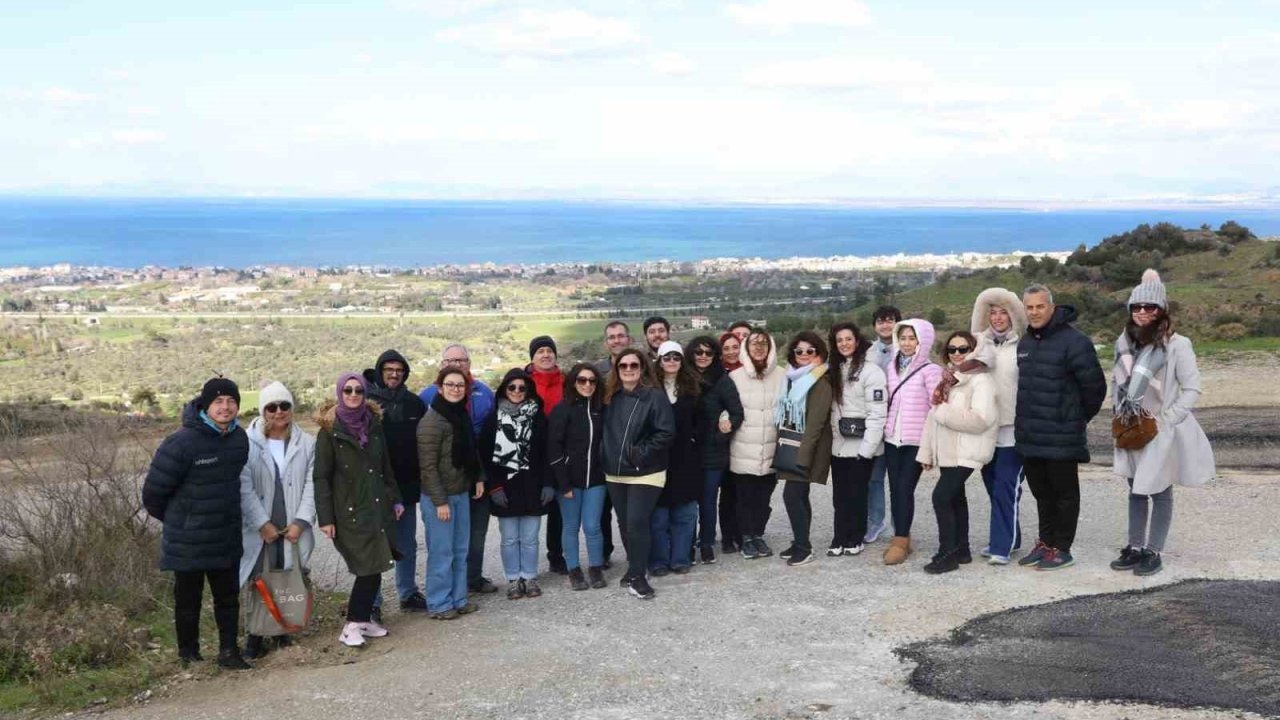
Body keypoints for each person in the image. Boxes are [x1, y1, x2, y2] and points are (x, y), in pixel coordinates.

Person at [1109, 270, 1215, 576]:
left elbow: (1192, 387)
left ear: (1162, 310)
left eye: (1150, 307)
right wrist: (1119, 415)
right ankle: (1134, 547)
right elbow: (1117, 386)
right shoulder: (1124, 343)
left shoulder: (1177, 345)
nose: (1142, 312)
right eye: (1136, 307)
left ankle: (1153, 551)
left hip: (1160, 430)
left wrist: (1168, 419)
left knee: (1159, 490)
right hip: (1130, 427)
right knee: (1135, 488)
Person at [143, 377, 252, 669]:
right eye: (218, 401)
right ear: (206, 405)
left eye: (231, 401)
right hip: (188, 541)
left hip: (226, 535)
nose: (225, 407)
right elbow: (153, 494)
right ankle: (188, 656)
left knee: (228, 599)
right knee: (188, 602)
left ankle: (229, 652)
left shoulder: (239, 439)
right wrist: (182, 521)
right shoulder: (181, 442)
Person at [1015, 284, 1107, 571]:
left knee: (1065, 495)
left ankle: (1062, 548)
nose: (1034, 312)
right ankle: (1045, 542)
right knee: (1042, 493)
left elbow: (1095, 389)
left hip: (1062, 436)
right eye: (1029, 307)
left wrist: (1074, 420)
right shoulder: (1026, 342)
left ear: (1052, 307)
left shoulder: (1075, 342)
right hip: (1031, 435)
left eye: (1039, 306)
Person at [314, 373, 404, 647]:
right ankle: (351, 624)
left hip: (376, 506)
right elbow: (321, 477)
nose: (353, 395)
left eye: (359, 391)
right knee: (367, 566)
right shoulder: (328, 432)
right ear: (340, 393)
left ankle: (363, 619)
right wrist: (326, 518)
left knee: (377, 563)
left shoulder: (374, 425)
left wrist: (396, 499)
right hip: (349, 511)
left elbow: (385, 467)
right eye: (348, 390)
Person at [238, 381, 316, 660]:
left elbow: (312, 485)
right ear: (263, 410)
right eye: (272, 407)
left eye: (285, 406)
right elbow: (243, 485)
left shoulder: (306, 443)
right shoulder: (246, 443)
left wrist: (301, 521)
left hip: (292, 521)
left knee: (287, 572)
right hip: (261, 523)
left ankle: (283, 629)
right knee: (258, 575)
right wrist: (262, 522)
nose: (279, 412)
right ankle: (256, 634)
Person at [420, 344, 499, 595]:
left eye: (461, 360)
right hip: (444, 483)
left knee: (472, 536)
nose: (456, 364)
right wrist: (437, 497)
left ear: (470, 363)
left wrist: (480, 475)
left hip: (475, 474)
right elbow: (427, 455)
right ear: (442, 367)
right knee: (444, 545)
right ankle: (442, 598)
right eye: (450, 360)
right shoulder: (426, 398)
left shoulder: (484, 393)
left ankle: (469, 582)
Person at [917, 331, 998, 574]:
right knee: (955, 498)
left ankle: (947, 554)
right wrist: (926, 453)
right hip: (948, 451)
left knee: (940, 497)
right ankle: (962, 550)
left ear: (973, 350)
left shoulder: (981, 380)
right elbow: (932, 420)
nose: (957, 353)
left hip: (968, 451)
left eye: (963, 349)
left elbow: (981, 419)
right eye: (952, 349)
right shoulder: (950, 379)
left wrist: (943, 412)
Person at [602, 349, 675, 600]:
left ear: (643, 368)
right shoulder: (609, 396)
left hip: (645, 472)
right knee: (624, 524)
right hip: (615, 472)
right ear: (617, 369)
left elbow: (666, 433)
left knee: (636, 522)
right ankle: (636, 567)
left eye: (634, 364)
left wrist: (640, 454)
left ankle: (637, 577)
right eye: (624, 365)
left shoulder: (655, 397)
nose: (629, 369)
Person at [362, 350, 428, 621]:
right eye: (388, 369)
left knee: (406, 544)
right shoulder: (366, 403)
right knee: (377, 544)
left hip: (407, 485)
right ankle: (373, 601)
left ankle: (408, 592)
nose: (394, 374)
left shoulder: (414, 404)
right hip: (376, 487)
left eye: (399, 370)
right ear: (380, 371)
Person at [418, 368, 486, 619]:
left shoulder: (461, 416)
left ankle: (459, 599)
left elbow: (471, 449)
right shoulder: (431, 422)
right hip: (440, 499)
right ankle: (438, 603)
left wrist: (478, 477)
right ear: (440, 387)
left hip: (461, 493)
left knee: (460, 550)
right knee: (442, 552)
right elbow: (427, 467)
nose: (456, 389)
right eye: (450, 384)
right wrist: (440, 501)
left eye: (460, 385)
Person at [480, 368, 553, 599]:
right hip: (505, 487)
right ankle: (513, 579)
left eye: (522, 387)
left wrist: (548, 484)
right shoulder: (493, 420)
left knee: (530, 538)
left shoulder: (539, 417)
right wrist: (494, 487)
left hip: (533, 486)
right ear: (504, 389)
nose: (517, 391)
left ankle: (529, 577)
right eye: (512, 387)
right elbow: (485, 456)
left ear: (528, 390)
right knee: (510, 538)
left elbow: (548, 453)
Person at [970, 289, 1027, 565]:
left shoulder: (1024, 346)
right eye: (993, 312)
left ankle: (1000, 546)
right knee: (994, 485)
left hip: (1015, 429)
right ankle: (1012, 537)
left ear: (1013, 315)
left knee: (1006, 484)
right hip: (986, 427)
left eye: (1003, 311)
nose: (998, 317)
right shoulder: (979, 344)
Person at [881, 319, 943, 566]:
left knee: (905, 488)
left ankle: (901, 539)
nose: (907, 343)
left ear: (923, 340)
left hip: (915, 441)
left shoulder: (931, 371)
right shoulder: (891, 368)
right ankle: (901, 536)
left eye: (912, 338)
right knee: (894, 488)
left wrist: (930, 449)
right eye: (903, 338)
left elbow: (935, 409)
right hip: (891, 439)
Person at [827, 322, 887, 557]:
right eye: (839, 340)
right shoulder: (832, 369)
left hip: (862, 445)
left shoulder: (871, 372)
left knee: (858, 493)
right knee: (839, 495)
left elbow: (877, 413)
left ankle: (856, 536)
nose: (844, 344)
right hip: (838, 444)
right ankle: (839, 536)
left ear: (857, 341)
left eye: (848, 339)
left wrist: (867, 449)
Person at [775, 331, 833, 567]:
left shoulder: (820, 381)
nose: (804, 355)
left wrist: (803, 455)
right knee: (799, 495)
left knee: (792, 495)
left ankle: (804, 547)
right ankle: (800, 541)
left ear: (819, 354)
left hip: (809, 447)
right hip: (794, 443)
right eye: (799, 351)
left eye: (811, 351)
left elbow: (816, 423)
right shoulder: (793, 378)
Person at [548, 363, 609, 590]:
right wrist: (563, 483)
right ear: (573, 383)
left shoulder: (601, 408)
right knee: (571, 526)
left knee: (593, 526)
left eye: (592, 381)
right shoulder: (562, 409)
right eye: (582, 380)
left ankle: (595, 568)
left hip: (596, 479)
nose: (587, 385)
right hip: (569, 481)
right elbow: (553, 448)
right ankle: (574, 569)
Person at [687, 335, 744, 562]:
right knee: (689, 500)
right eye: (698, 352)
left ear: (715, 356)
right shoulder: (684, 378)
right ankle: (688, 543)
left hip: (713, 450)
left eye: (708, 352)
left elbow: (737, 412)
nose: (703, 356)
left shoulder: (723, 380)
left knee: (708, 500)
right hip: (687, 452)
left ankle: (707, 542)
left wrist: (723, 431)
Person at [728, 329, 784, 560]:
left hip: (771, 448)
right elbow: (726, 408)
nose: (759, 348)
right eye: (754, 344)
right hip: (743, 449)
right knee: (744, 498)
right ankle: (745, 538)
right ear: (746, 349)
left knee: (764, 499)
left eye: (764, 344)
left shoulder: (782, 375)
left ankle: (758, 535)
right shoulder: (735, 377)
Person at [650, 341, 702, 576]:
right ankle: (659, 560)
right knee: (658, 516)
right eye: (666, 357)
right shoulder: (649, 389)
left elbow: (703, 420)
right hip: (658, 459)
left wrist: (694, 439)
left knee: (685, 512)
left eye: (676, 357)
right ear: (659, 361)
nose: (671, 361)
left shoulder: (693, 388)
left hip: (686, 459)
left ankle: (680, 558)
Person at [526, 335, 568, 574]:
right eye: (540, 351)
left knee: (558, 509)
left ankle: (556, 554)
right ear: (532, 357)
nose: (545, 355)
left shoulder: (566, 381)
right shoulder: (523, 382)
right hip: (532, 453)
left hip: (560, 450)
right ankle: (525, 564)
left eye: (549, 350)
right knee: (531, 506)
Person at [865, 305, 901, 545]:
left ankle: (901, 526)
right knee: (874, 478)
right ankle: (875, 522)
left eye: (890, 321)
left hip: (901, 424)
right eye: (881, 321)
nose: (885, 325)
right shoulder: (868, 353)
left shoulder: (910, 348)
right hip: (876, 422)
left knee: (899, 480)